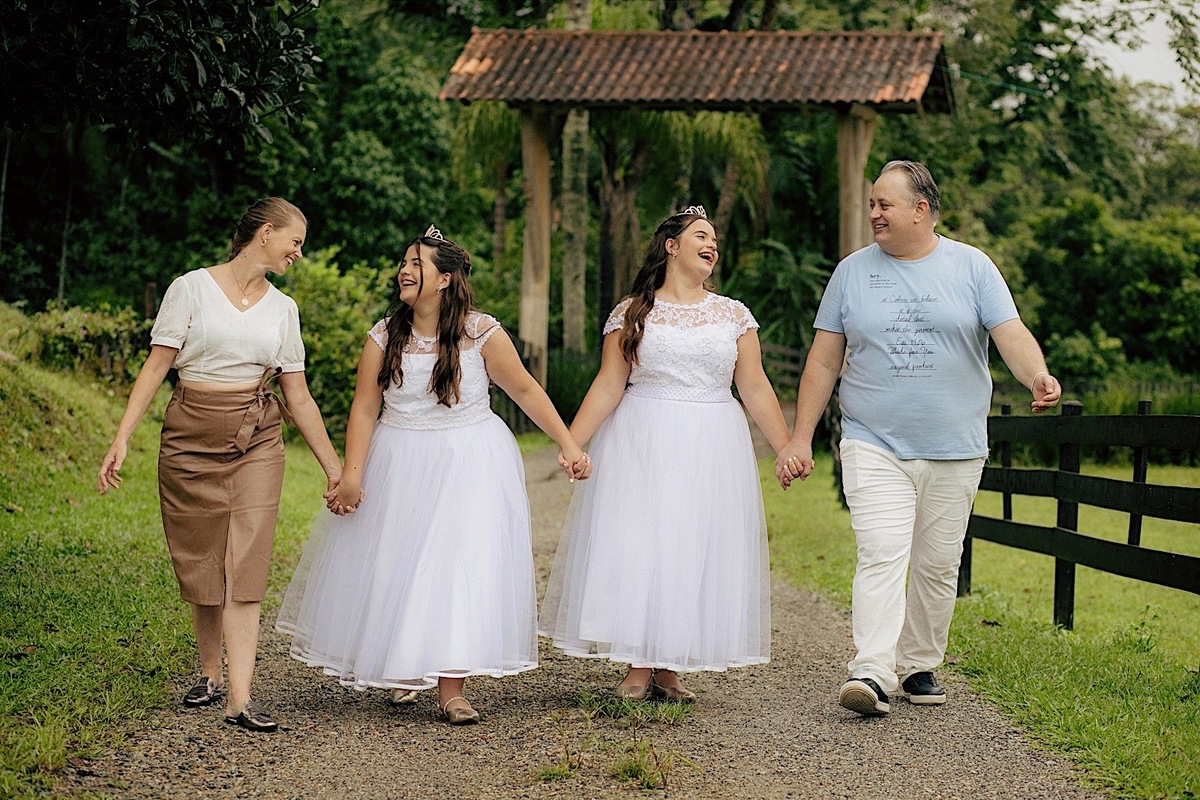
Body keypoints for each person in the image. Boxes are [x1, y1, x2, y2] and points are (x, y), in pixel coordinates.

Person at [775, 160, 1062, 716]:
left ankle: (919, 665)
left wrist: (1037, 376)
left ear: (921, 210)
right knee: (881, 552)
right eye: (873, 203)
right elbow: (824, 359)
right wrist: (800, 437)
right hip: (872, 439)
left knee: (937, 562)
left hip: (956, 445)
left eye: (885, 204)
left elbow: (1010, 333)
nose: (874, 213)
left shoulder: (972, 267)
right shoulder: (852, 273)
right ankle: (872, 670)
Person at [276, 226, 589, 725]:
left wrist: (568, 442)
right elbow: (363, 407)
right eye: (404, 261)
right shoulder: (384, 335)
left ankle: (451, 686)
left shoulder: (480, 332)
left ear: (445, 279)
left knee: (456, 565)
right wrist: (351, 475)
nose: (405, 269)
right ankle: (403, 664)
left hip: (470, 459)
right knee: (400, 560)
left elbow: (525, 391)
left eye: (417, 263)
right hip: (398, 456)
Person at [98, 197, 344, 733]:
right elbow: (158, 364)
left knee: (245, 563)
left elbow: (297, 396)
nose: (299, 253)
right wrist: (121, 437)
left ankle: (239, 697)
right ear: (265, 232)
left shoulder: (284, 310)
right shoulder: (189, 288)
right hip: (189, 438)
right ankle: (211, 674)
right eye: (295, 241)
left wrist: (333, 469)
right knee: (202, 557)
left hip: (256, 439)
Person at [538, 206, 792, 703]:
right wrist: (574, 442)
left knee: (692, 544)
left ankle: (671, 664)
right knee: (641, 542)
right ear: (671, 246)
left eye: (715, 239)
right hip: (641, 437)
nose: (712, 245)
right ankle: (639, 664)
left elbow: (756, 386)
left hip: (711, 442)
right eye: (701, 236)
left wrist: (785, 446)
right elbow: (610, 383)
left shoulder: (733, 315)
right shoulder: (633, 312)